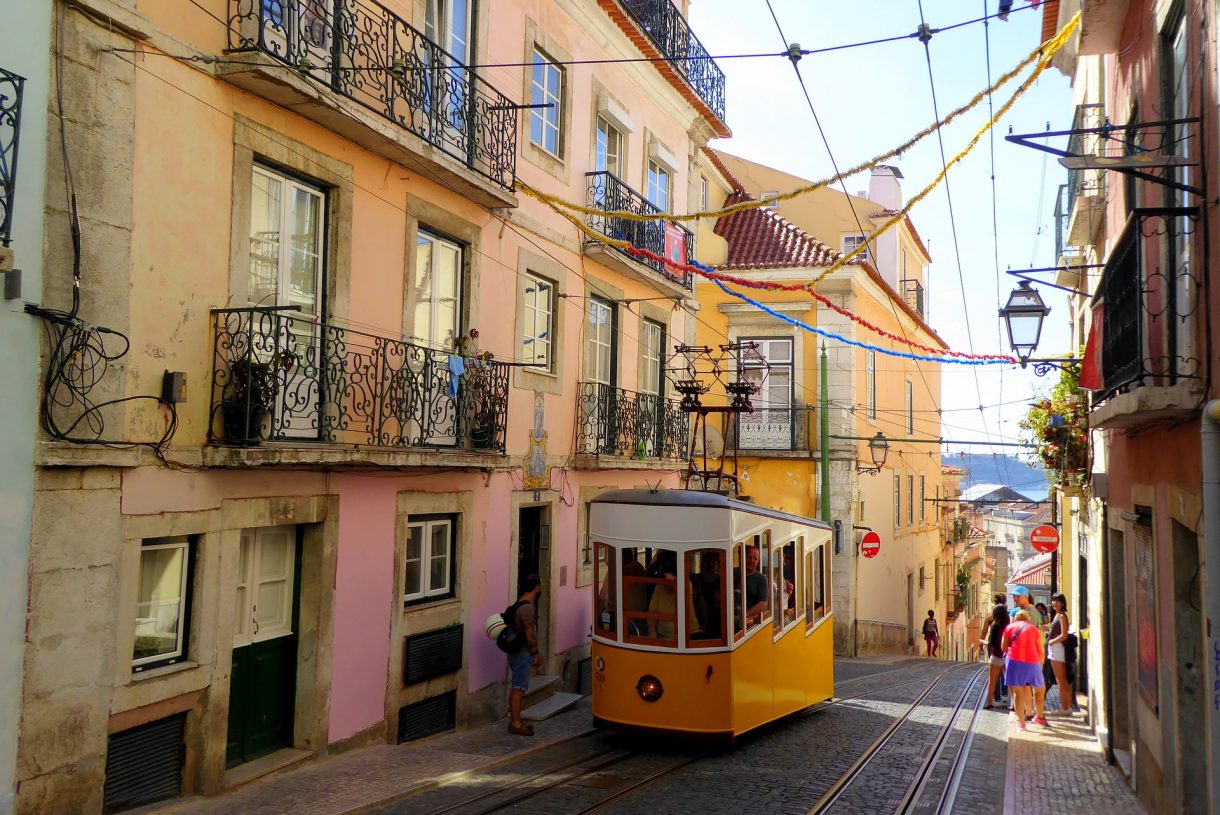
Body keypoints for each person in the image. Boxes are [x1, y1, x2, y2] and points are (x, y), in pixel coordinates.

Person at [507, 574, 543, 736]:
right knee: (518, 688)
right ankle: (516, 723)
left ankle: (515, 721)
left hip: (515, 652)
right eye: (539, 586)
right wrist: (535, 653)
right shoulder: (527, 608)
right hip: (522, 653)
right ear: (536, 587)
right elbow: (529, 634)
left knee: (517, 687)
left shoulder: (518, 604)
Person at [1002, 608, 1047, 731]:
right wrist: (1040, 664)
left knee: (1018, 692)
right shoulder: (1033, 629)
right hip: (1032, 662)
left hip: (1014, 661)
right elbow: (1041, 650)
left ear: (1016, 618)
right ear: (1028, 618)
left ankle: (1021, 724)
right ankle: (1039, 716)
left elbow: (1003, 647)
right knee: (1039, 690)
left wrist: (1012, 655)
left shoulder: (1009, 628)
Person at [1011, 586, 1047, 722]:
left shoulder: (1030, 611)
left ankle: (1038, 715)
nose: (1015, 598)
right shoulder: (1022, 611)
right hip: (1028, 652)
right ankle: (1031, 712)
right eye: (1014, 596)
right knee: (1026, 685)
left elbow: (1027, 632)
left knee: (1035, 686)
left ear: (1025, 596)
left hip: (1032, 652)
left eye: (1017, 596)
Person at [1046, 593, 1073, 714]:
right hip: (1055, 649)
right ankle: (1067, 707)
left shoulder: (1061, 616)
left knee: (1060, 679)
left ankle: (1065, 708)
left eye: (1057, 601)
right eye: (1053, 600)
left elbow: (1064, 635)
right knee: (1062, 679)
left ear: (1062, 603)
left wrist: (1051, 641)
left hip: (1057, 649)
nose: (1054, 603)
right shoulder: (1057, 615)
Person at [979, 598, 1009, 708]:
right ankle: (1014, 704)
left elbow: (991, 643)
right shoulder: (1009, 625)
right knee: (1010, 681)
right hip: (1007, 656)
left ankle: (990, 703)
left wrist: (982, 642)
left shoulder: (994, 625)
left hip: (996, 656)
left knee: (992, 681)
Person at [744, 545, 768, 627]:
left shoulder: (761, 578)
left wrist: (744, 615)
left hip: (749, 624)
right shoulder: (733, 573)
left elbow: (763, 604)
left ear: (758, 561)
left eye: (755, 558)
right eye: (749, 557)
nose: (751, 561)